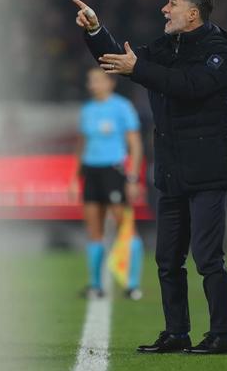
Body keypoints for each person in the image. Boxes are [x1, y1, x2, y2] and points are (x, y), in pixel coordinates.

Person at [73, 0, 227, 354]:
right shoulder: (168, 46)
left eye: (172, 3)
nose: (165, 9)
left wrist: (139, 68)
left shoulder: (219, 49)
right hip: (172, 169)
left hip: (208, 169)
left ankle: (222, 335)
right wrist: (96, 30)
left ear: (192, 13)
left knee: (208, 257)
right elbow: (120, 60)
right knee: (167, 259)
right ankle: (177, 332)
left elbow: (190, 85)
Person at [70, 67, 144, 300]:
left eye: (98, 80)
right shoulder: (87, 110)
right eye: (91, 80)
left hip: (114, 171)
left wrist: (132, 177)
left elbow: (135, 145)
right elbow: (81, 146)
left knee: (125, 226)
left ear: (110, 82)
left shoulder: (122, 107)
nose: (93, 85)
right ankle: (95, 285)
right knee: (94, 230)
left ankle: (131, 284)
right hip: (91, 172)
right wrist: (74, 178)